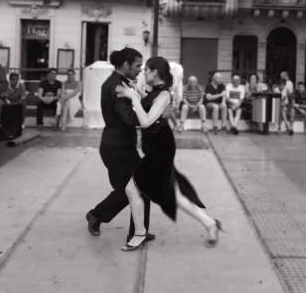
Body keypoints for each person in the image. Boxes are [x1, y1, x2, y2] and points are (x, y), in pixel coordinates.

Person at [116, 56, 222, 251]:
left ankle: (139, 233)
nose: (143, 73)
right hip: (155, 146)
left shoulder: (164, 95)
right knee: (175, 196)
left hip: (160, 148)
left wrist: (132, 97)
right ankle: (210, 224)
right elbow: (148, 100)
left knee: (132, 189)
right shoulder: (156, 92)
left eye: (146, 70)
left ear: (155, 73)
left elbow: (146, 121)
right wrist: (136, 91)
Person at [85, 48, 155, 244]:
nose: (140, 70)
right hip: (117, 148)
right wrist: (151, 116)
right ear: (125, 65)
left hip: (118, 146)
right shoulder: (117, 87)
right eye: (137, 65)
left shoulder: (119, 82)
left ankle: (134, 230)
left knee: (131, 190)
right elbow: (129, 117)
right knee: (137, 188)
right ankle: (100, 217)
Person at [0, 72, 27, 137]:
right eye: (13, 79)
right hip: (7, 101)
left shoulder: (21, 85)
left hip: (17, 102)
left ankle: (22, 123)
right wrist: (5, 99)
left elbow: (23, 98)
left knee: (24, 103)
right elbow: (2, 96)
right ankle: (0, 122)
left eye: (16, 79)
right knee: (0, 102)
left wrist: (13, 104)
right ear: (10, 80)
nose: (15, 81)